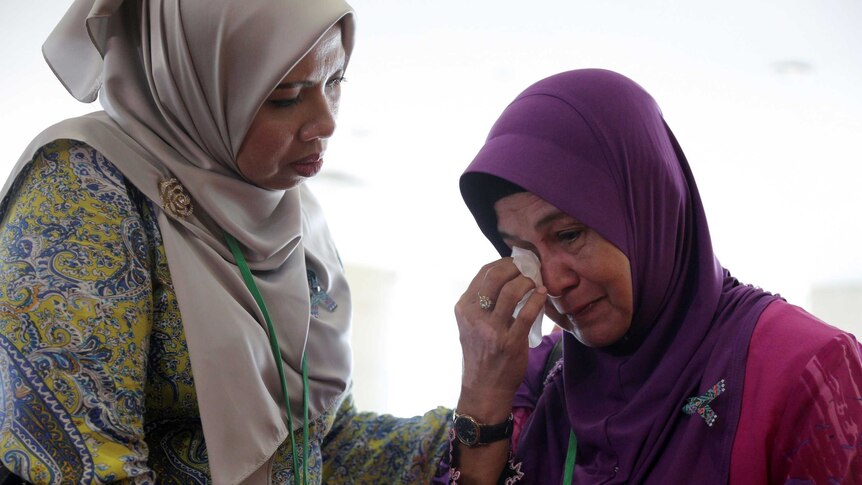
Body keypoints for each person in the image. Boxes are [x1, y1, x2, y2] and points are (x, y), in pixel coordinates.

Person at [0, 1, 451, 483]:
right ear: (192, 83)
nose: (326, 122)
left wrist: (477, 422)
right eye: (285, 97)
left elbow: (320, 444)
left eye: (335, 81)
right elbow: (81, 463)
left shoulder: (294, 211)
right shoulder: (83, 191)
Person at [449, 69, 862, 484]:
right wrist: (482, 404)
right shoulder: (532, 379)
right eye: (525, 253)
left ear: (649, 211)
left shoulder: (810, 372)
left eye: (570, 235)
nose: (553, 283)